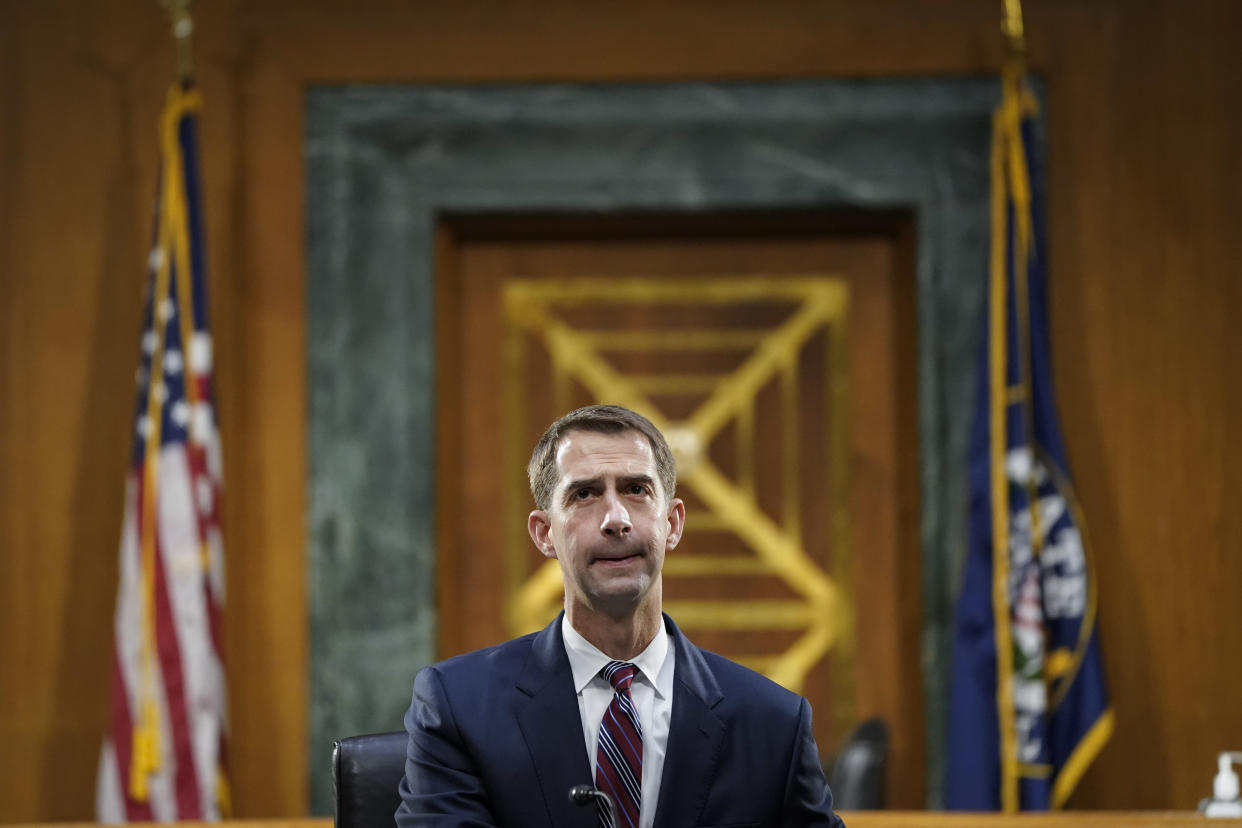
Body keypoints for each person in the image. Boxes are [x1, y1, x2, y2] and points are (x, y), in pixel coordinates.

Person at [396, 405, 844, 827]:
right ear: (544, 533)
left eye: (636, 490)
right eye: (585, 494)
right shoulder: (457, 707)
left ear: (672, 523)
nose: (615, 518)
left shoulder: (774, 724)